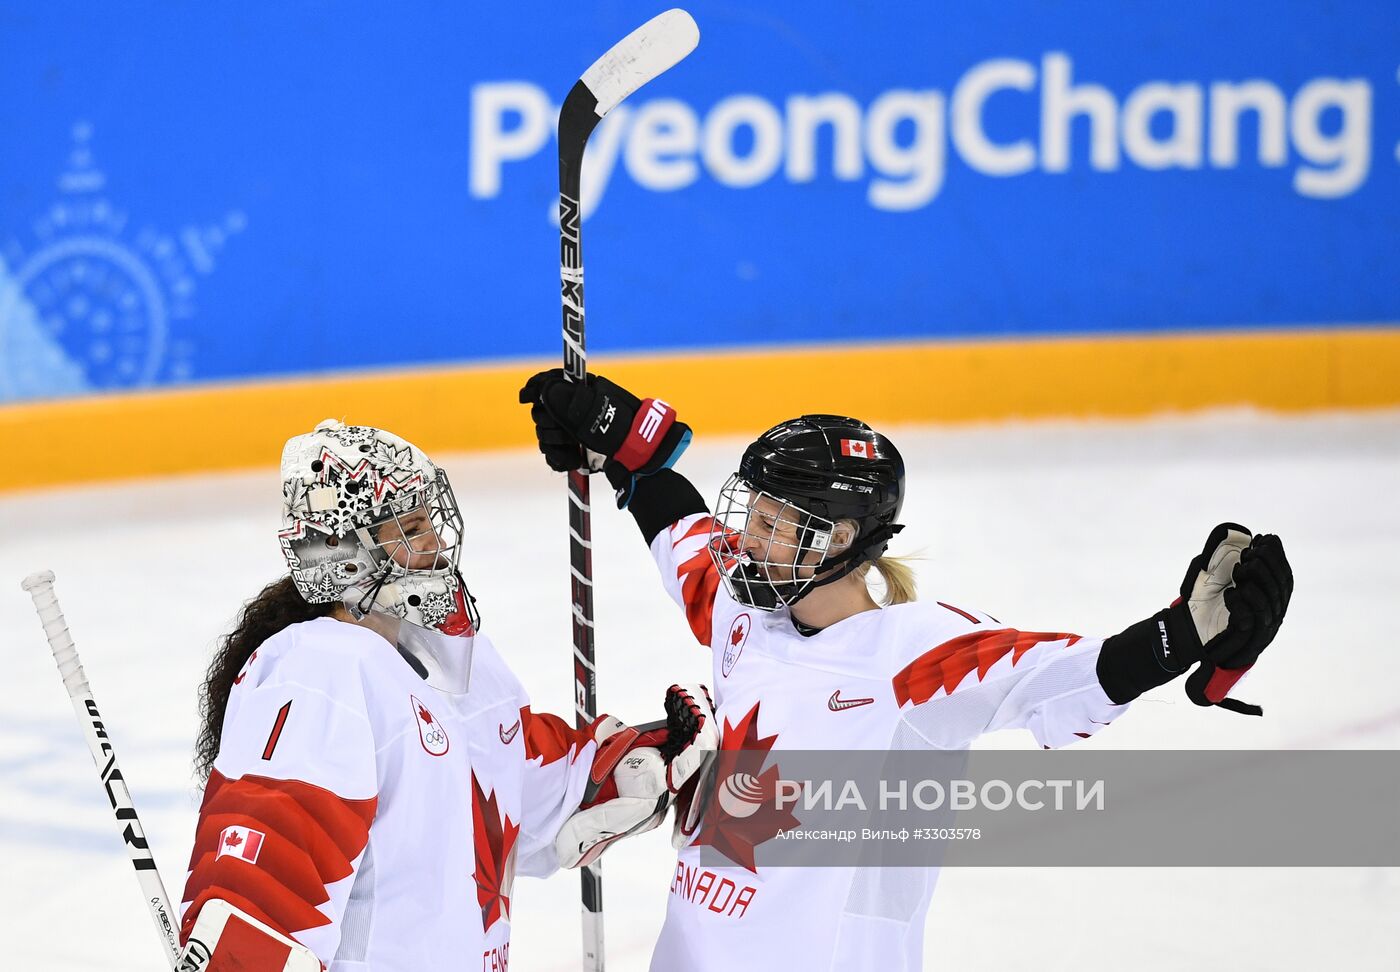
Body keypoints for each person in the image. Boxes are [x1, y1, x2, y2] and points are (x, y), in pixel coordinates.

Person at [519, 372, 1294, 971]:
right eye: (748, 513)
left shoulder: (911, 657)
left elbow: (1066, 675)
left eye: (769, 523)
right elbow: (681, 532)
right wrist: (627, 450)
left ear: (838, 536)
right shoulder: (744, 614)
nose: (745, 537)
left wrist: (1184, 632)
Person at [177, 418, 717, 970]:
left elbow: (504, 786)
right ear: (340, 551)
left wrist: (624, 770)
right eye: (409, 528)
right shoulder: (320, 672)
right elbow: (268, 882)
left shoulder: (455, 660)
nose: (434, 542)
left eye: (428, 518)